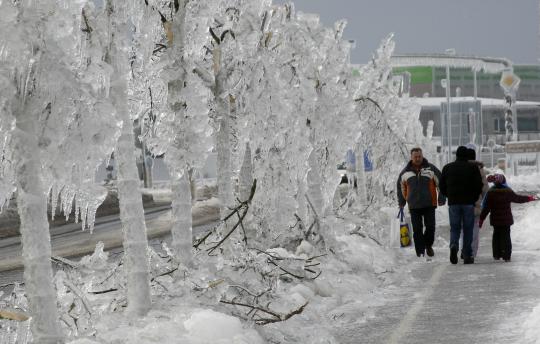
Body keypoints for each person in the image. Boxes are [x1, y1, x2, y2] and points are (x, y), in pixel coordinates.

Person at [397, 147, 446, 258]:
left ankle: (428, 245)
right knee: (417, 230)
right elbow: (400, 188)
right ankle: (420, 252)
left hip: (429, 204)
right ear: (411, 157)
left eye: (420, 156)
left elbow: (441, 182)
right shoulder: (405, 172)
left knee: (430, 227)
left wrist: (441, 197)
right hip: (414, 205)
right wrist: (402, 201)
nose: (418, 159)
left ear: (422, 156)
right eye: (416, 157)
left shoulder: (431, 169)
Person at [439, 146, 483, 264]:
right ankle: (467, 254)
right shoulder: (473, 168)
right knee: (468, 229)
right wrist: (473, 198)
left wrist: (449, 195)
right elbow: (479, 185)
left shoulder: (447, 168)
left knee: (455, 228)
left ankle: (454, 245)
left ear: (456, 155)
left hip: (453, 203)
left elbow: (441, 186)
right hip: (468, 203)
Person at [479, 174, 537, 262]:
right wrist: (530, 198)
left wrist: (481, 219)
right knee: (506, 236)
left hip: (495, 220)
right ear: (503, 181)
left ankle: (497, 255)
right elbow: (518, 198)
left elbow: (486, 208)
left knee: (496, 236)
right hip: (506, 220)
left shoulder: (490, 192)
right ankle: (506, 256)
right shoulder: (508, 191)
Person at [458, 146, 489, 259]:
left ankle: (464, 249)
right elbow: (485, 188)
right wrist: (483, 200)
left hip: (460, 203)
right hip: (475, 204)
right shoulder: (479, 170)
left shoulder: (459, 168)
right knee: (474, 230)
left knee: (463, 230)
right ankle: (471, 253)